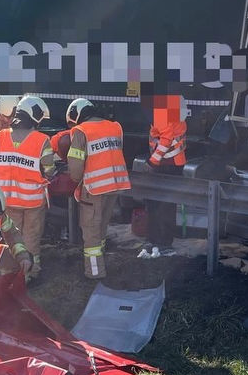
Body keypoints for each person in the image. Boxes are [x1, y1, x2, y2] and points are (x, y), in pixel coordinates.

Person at [0, 95, 58, 278]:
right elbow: (49, 170)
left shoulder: (1, 136)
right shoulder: (42, 140)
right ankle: (30, 274)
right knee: (31, 238)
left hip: (6, 200)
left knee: (11, 238)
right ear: (35, 118)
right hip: (32, 201)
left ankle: (10, 274)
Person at [66, 97, 131, 279]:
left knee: (91, 230)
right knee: (101, 227)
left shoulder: (81, 131)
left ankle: (94, 273)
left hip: (94, 187)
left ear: (77, 115)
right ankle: (100, 262)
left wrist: (75, 179)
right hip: (114, 184)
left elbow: (76, 167)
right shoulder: (115, 127)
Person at [140, 93, 187, 259]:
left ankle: (162, 243)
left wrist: (152, 163)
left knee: (161, 205)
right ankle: (156, 241)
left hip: (167, 165)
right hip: (171, 164)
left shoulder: (161, 109)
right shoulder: (167, 106)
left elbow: (165, 140)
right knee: (160, 204)